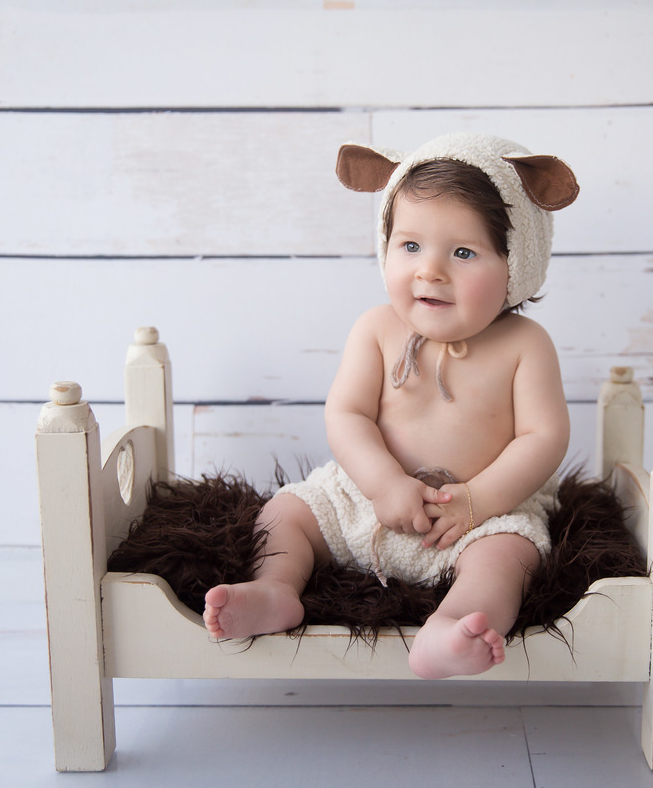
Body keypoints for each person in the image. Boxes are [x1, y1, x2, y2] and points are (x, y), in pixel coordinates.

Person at [203, 133, 579, 679]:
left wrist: (478, 501)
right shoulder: (376, 329)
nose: (430, 271)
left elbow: (543, 438)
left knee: (509, 558)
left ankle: (452, 627)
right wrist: (383, 484)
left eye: (463, 252)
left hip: (476, 516)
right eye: (410, 246)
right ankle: (275, 588)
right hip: (364, 502)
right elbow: (347, 415)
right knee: (287, 513)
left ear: (516, 262)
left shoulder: (526, 345)